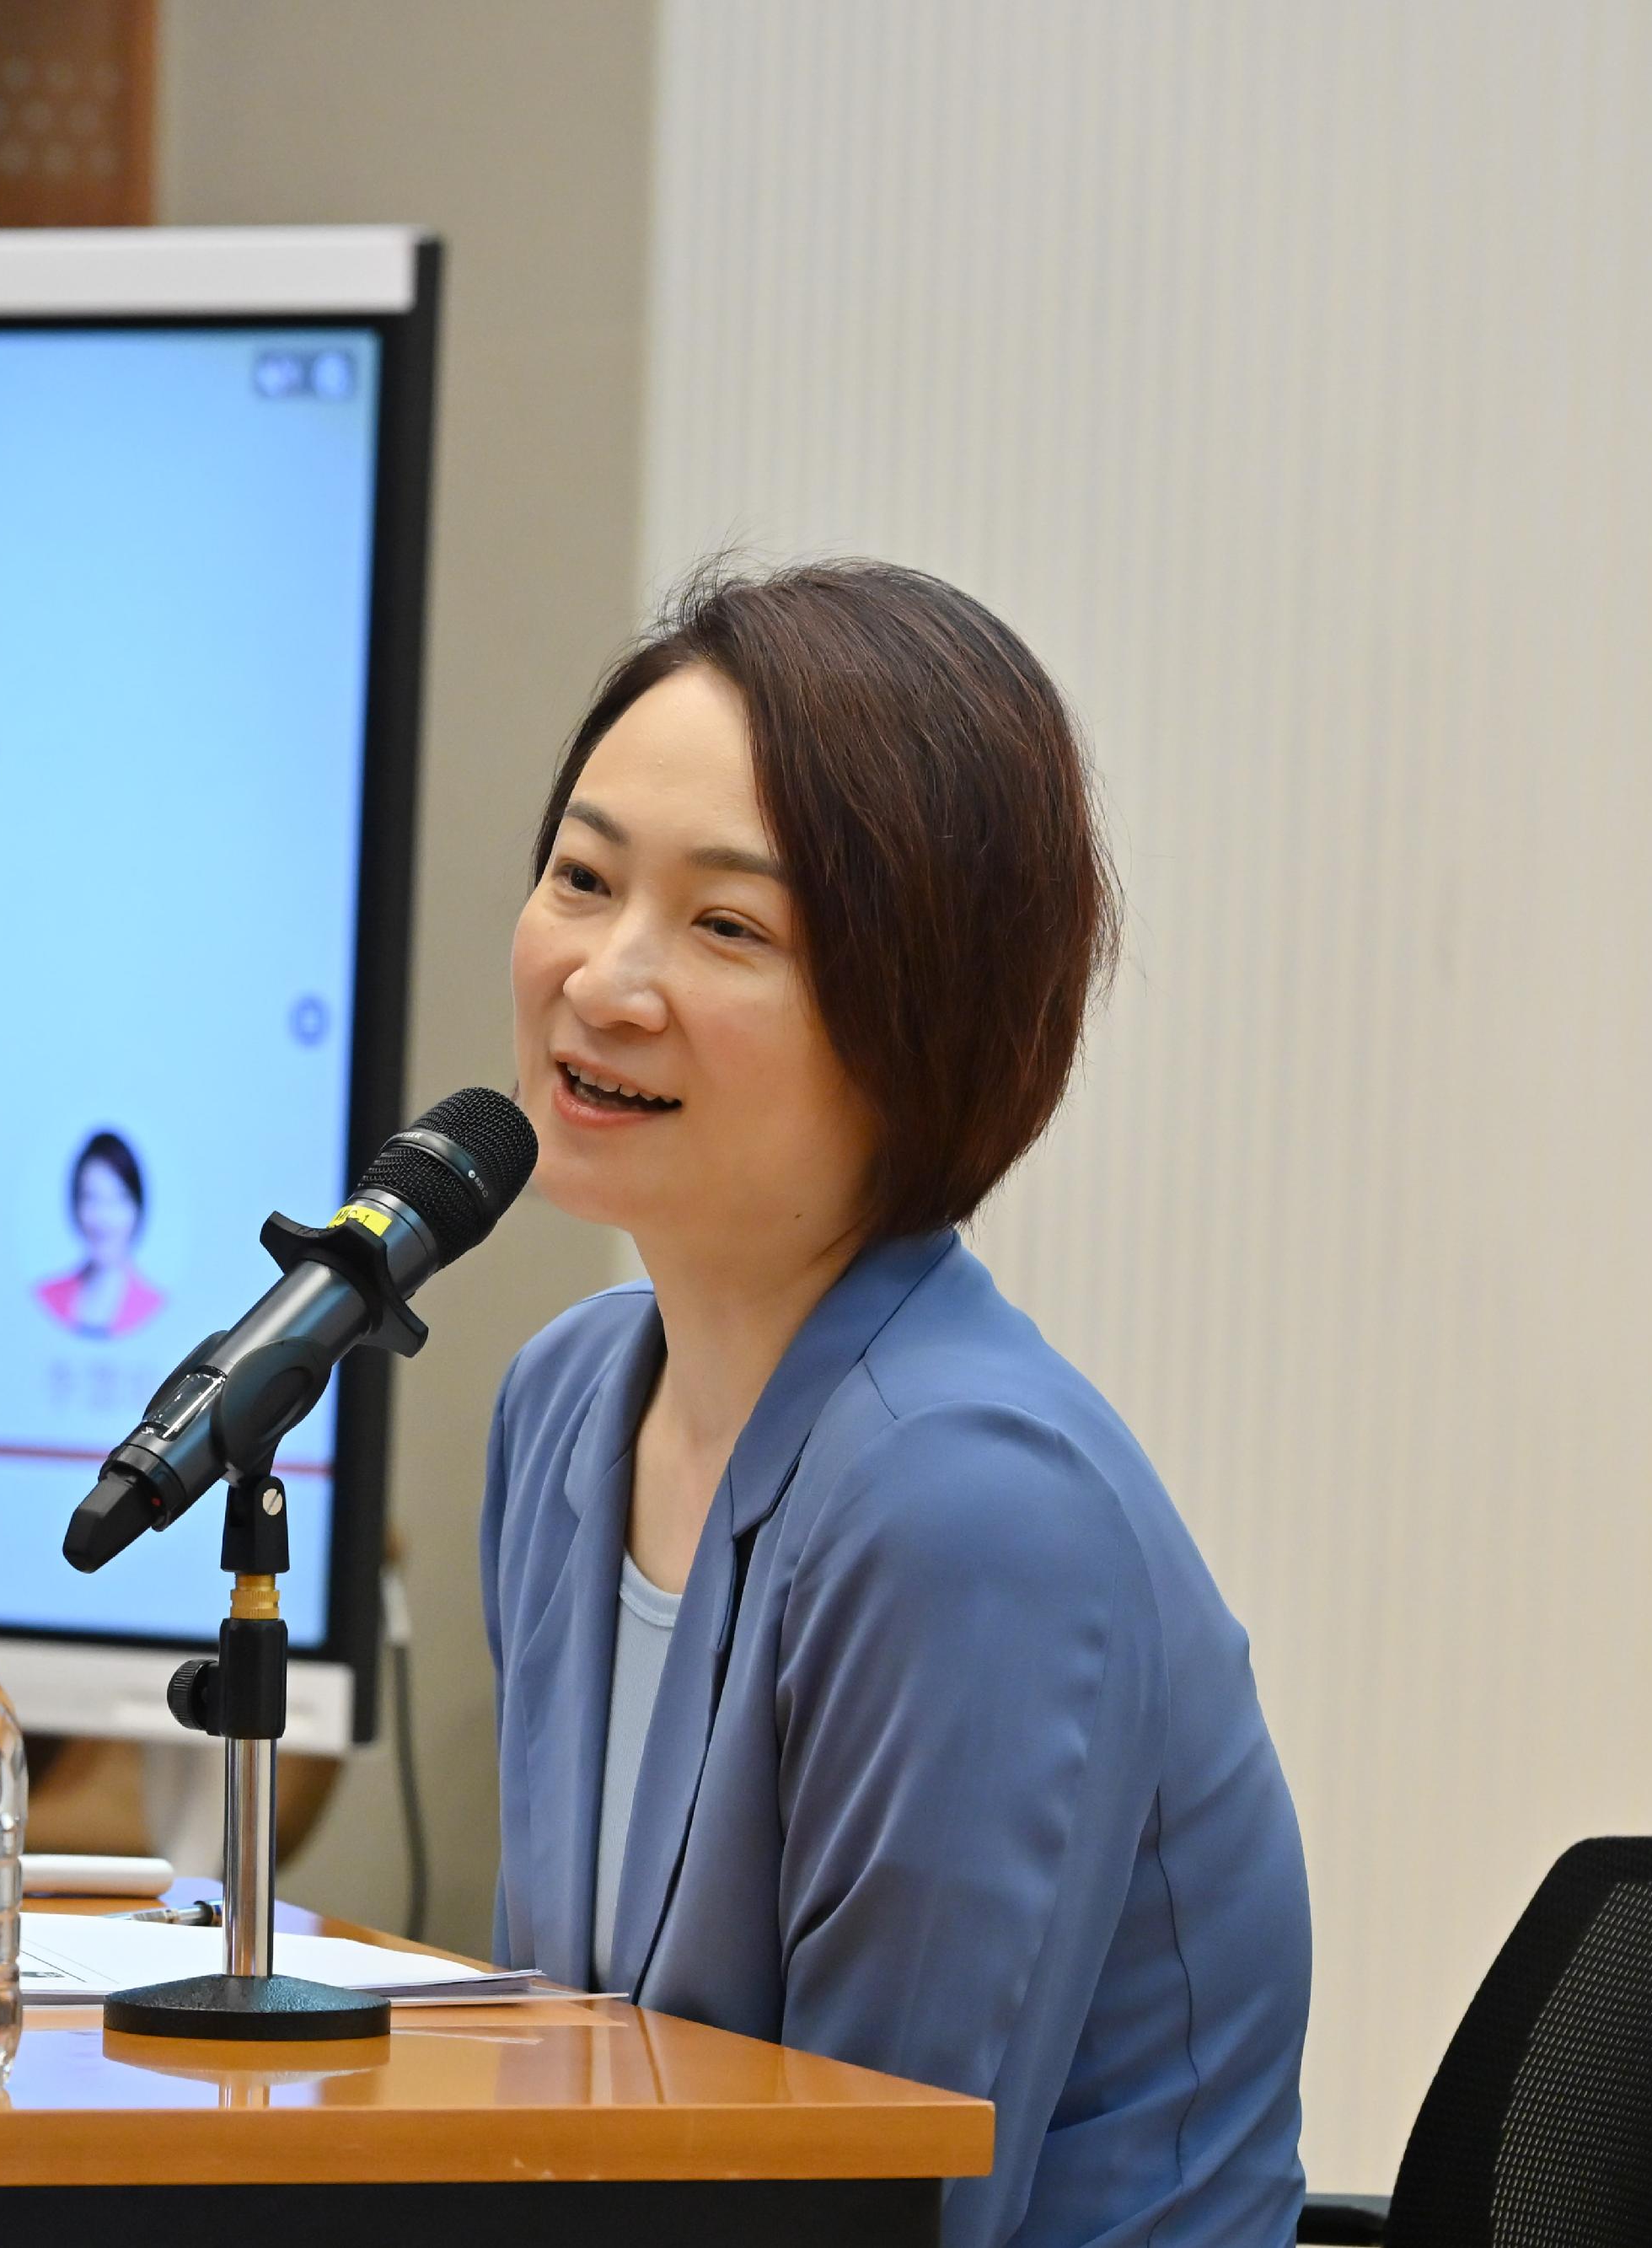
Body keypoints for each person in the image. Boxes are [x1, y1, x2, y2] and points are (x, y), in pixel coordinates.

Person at [483, 560, 1307, 2246]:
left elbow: (865, 2209)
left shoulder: (962, 1500)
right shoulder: (564, 1404)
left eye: (726, 925)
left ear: (917, 1010)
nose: (604, 979)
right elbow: (558, 2076)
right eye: (580, 877)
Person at [35, 1130, 164, 1340]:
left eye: (117, 1199)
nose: (104, 1218)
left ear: (138, 1207)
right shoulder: (46, 1298)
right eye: (92, 1198)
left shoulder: (154, 1305)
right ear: (75, 1204)